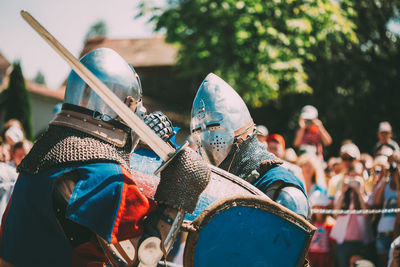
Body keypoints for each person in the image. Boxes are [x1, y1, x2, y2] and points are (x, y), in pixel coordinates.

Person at [0, 48, 210, 267]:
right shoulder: (103, 173)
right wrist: (179, 192)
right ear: (124, 110)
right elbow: (143, 259)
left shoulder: (42, 153)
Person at [190, 73, 310, 220]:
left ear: (239, 132)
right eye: (198, 131)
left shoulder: (280, 188)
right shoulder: (214, 183)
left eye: (214, 127)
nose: (205, 139)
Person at [330, 162, 373, 267]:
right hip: (343, 241)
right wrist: (343, 192)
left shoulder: (366, 194)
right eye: (352, 176)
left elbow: (367, 214)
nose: (354, 179)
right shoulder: (342, 194)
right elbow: (335, 214)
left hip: (361, 241)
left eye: (357, 176)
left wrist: (360, 191)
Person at [308, 191, 335, 267]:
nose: (319, 210)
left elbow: (333, 245)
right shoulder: (310, 223)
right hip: (312, 255)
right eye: (317, 207)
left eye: (321, 207)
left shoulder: (329, 224)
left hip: (325, 256)